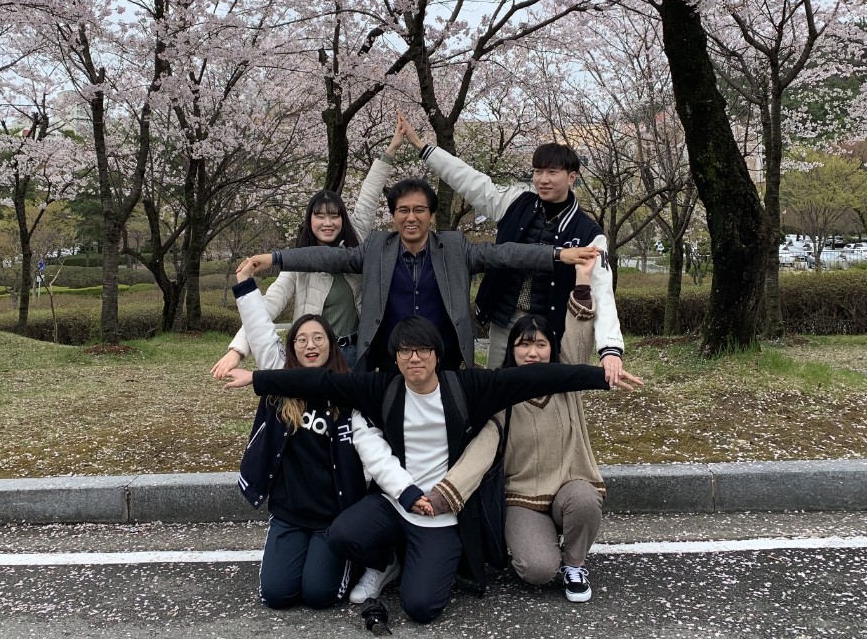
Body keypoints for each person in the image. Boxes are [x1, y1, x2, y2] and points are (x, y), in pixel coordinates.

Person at [220, 315, 642, 624]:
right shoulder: (383, 387)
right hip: (394, 500)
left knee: (422, 608)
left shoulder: (467, 387)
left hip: (442, 511)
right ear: (396, 358)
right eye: (405, 351)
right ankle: (385, 558)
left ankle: (425, 560)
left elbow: (539, 379)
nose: (414, 358)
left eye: (422, 349)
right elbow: (321, 383)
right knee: (344, 533)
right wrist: (258, 379)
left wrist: (601, 375)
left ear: (437, 354)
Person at [424, 256, 631, 603]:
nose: (532, 352)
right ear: (511, 350)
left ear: (552, 350)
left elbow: (579, 340)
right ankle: (542, 542)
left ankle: (575, 562)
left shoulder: (567, 386)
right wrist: (441, 497)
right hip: (523, 500)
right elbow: (480, 454)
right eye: (523, 344)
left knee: (584, 500)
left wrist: (582, 280)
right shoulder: (501, 399)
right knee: (537, 571)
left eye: (540, 344)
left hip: (570, 486)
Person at [239, 179, 599, 372]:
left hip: (445, 360)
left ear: (430, 214)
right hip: (387, 362)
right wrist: (274, 257)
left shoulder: (455, 247)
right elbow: (328, 258)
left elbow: (504, 253)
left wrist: (557, 254)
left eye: (419, 210)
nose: (411, 218)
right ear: (393, 215)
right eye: (403, 210)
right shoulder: (377, 247)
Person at [215, 261, 407, 610]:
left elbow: (376, 454)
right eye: (301, 340)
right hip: (289, 515)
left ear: (332, 346)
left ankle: (377, 559)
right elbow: (260, 329)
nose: (310, 345)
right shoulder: (279, 383)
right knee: (277, 595)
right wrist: (245, 284)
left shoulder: (348, 397)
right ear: (292, 350)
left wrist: (406, 491)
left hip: (331, 519)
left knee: (320, 595)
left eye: (319, 338)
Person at [398, 113, 624, 378]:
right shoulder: (518, 202)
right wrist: (426, 150)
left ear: (572, 176)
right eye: (538, 171)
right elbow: (470, 181)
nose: (543, 179)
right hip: (505, 317)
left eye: (552, 172)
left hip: (550, 326)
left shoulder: (588, 233)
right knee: (498, 386)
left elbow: (602, 290)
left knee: (543, 393)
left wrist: (610, 349)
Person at [212, 118, 404, 376]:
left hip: (354, 352)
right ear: (309, 220)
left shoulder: (355, 240)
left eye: (334, 216)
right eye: (320, 216)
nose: (328, 223)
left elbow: (369, 195)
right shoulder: (298, 263)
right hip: (313, 355)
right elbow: (270, 304)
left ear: (343, 218)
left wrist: (390, 150)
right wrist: (237, 349)